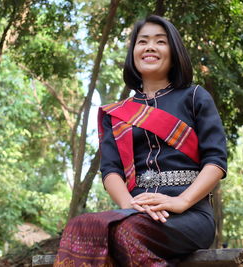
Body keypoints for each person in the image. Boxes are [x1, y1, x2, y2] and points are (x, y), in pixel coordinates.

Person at [54, 15, 227, 267]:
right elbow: (111, 171)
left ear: (174, 50)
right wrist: (129, 205)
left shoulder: (195, 97)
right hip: (135, 212)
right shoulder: (117, 113)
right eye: (142, 41)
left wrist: (180, 202)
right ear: (133, 52)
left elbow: (216, 162)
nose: (149, 47)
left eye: (160, 41)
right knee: (82, 226)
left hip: (189, 214)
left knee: (126, 233)